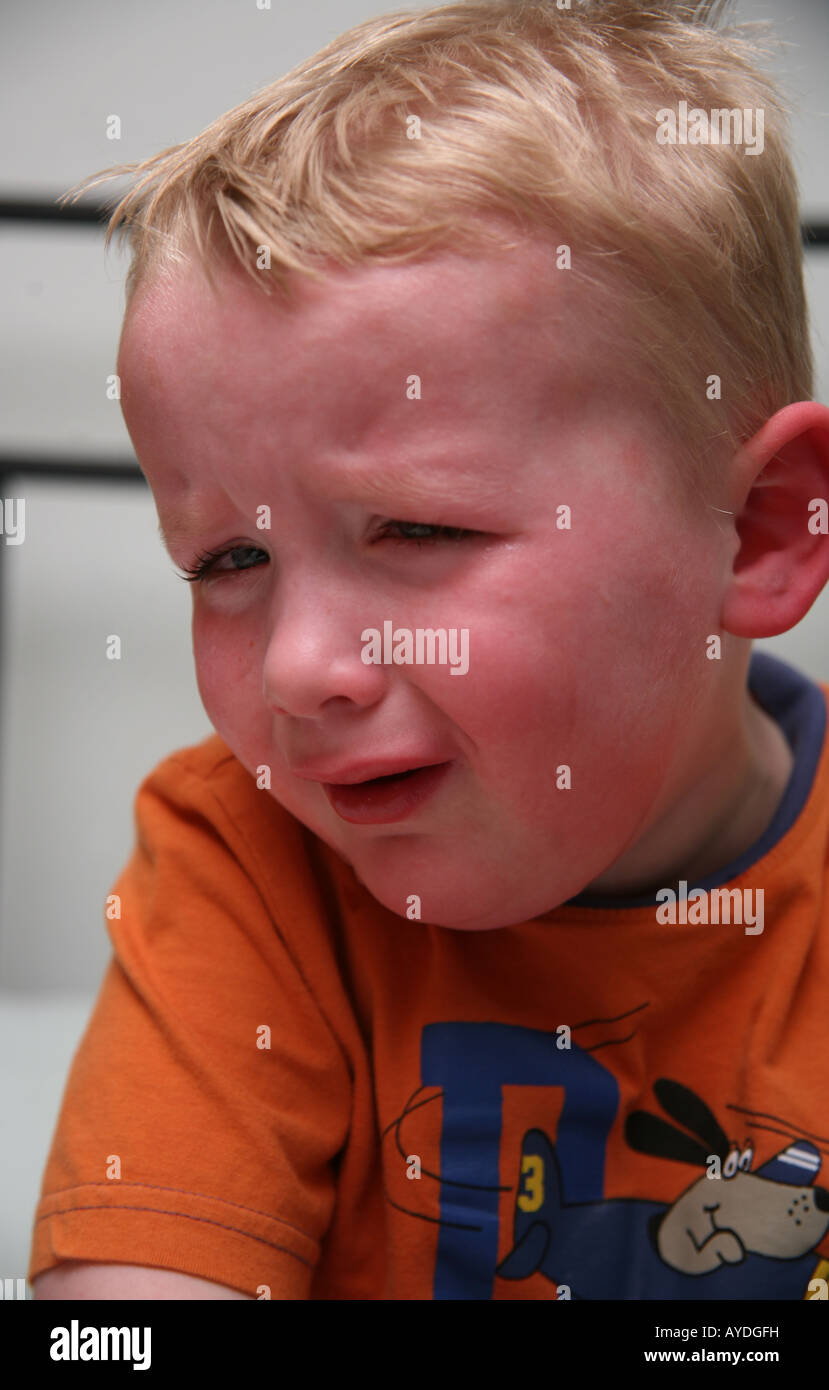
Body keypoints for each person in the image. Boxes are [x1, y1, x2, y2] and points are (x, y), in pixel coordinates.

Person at [29, 0, 829, 1300]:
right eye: (228, 559)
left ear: (752, 534)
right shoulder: (247, 862)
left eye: (414, 527)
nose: (297, 667)